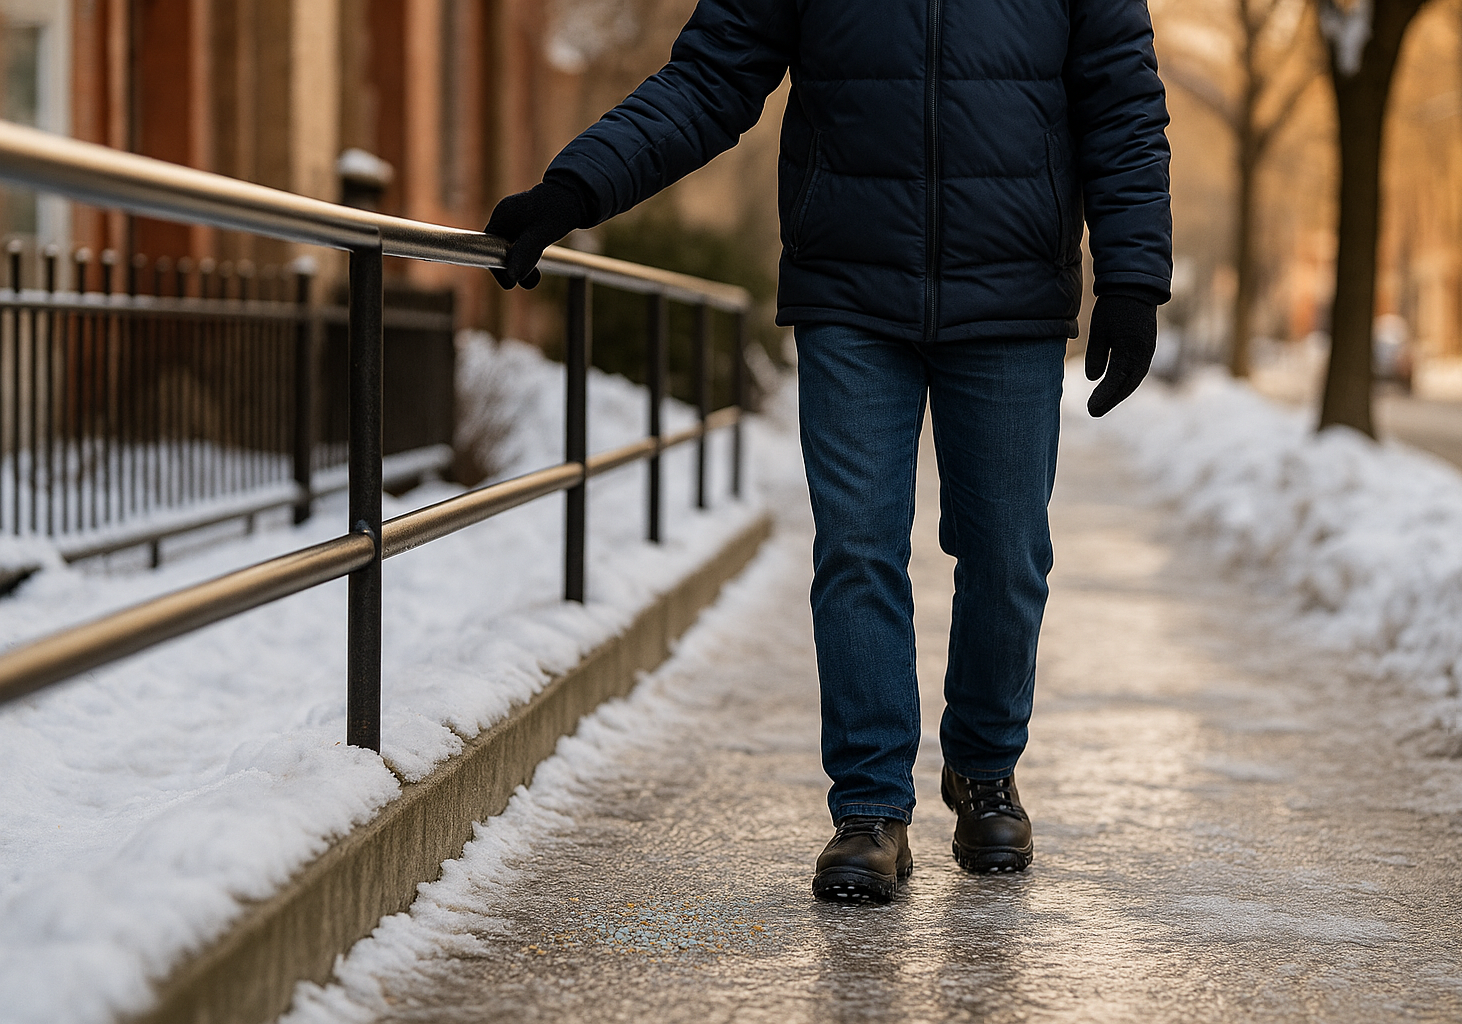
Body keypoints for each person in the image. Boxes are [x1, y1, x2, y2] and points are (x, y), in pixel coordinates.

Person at [484, 0, 1172, 904]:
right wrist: (576, 189)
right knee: (856, 546)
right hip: (849, 291)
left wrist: (1133, 275)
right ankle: (871, 809)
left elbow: (1121, 104)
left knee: (1008, 550)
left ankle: (984, 768)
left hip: (1011, 293)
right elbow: (709, 77)